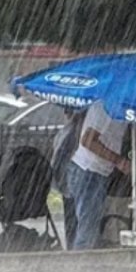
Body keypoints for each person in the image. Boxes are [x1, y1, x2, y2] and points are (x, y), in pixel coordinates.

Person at [65, 101, 131, 251]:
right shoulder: (105, 107)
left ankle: (84, 263)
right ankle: (81, 267)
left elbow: (115, 136)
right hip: (88, 171)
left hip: (96, 172)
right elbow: (88, 140)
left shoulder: (119, 108)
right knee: (87, 230)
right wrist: (118, 160)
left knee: (89, 227)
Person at [50, 107, 87, 249]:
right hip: (72, 180)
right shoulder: (73, 132)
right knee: (76, 218)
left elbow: (57, 157)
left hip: (68, 181)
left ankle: (73, 246)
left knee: (73, 218)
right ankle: (75, 247)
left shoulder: (69, 131)